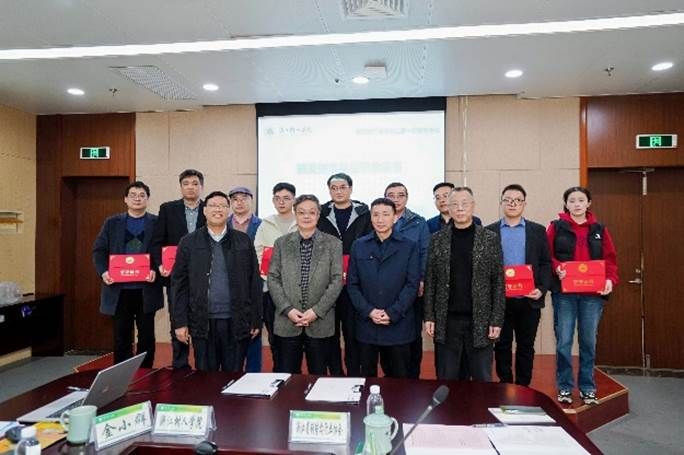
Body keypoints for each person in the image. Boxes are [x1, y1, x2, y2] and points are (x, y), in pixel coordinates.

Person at [171, 191, 262, 372]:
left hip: (237, 321)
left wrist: (255, 319)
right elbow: (179, 285)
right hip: (202, 322)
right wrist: (180, 322)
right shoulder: (188, 242)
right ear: (204, 210)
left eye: (222, 206)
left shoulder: (243, 240)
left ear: (228, 211)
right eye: (213, 205)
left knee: (234, 375)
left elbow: (254, 282)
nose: (218, 210)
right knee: (205, 377)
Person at [423, 187, 505, 381]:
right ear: (448, 208)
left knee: (482, 379)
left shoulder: (490, 239)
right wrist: (429, 316)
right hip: (447, 321)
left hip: (481, 320)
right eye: (454, 204)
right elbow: (431, 280)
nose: (459, 208)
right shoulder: (437, 239)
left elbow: (498, 282)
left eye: (464, 204)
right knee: (447, 378)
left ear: (473, 206)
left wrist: (496, 319)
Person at [546, 186, 618, 405]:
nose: (576, 204)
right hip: (564, 294)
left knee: (588, 342)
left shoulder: (599, 229)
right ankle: (565, 387)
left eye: (581, 200)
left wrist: (610, 280)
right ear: (566, 204)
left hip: (592, 296)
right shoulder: (556, 227)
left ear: (588, 203)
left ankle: (587, 387)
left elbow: (610, 259)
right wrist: (557, 268)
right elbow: (546, 255)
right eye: (572, 200)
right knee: (564, 342)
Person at [267, 195, 343, 374]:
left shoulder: (333, 244)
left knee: (318, 376)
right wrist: (288, 309)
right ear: (295, 214)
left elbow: (337, 280)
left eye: (311, 212)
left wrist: (316, 311)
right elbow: (273, 278)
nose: (306, 216)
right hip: (287, 321)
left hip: (320, 322)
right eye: (301, 212)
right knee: (286, 376)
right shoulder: (281, 243)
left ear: (318, 215)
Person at [485, 184, 552, 386]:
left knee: (526, 346)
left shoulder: (537, 231)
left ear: (524, 203)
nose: (512, 203)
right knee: (501, 346)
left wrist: (541, 288)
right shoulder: (489, 231)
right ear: (501, 202)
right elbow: (484, 267)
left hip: (529, 300)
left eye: (517, 200)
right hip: (500, 302)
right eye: (508, 199)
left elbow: (545, 263)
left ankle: (523, 386)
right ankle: (505, 383)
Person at [92, 181, 162, 368]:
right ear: (125, 199)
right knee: (121, 336)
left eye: (142, 195)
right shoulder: (112, 223)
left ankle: (145, 372)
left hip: (146, 290)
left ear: (147, 199)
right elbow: (99, 250)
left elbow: (162, 252)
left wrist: (155, 270)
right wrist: (103, 271)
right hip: (119, 290)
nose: (137, 199)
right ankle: (122, 374)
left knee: (146, 336)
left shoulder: (157, 223)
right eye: (133, 195)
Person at [347, 198, 420, 378]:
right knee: (366, 379)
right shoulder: (359, 245)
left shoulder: (409, 246)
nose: (380, 219)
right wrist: (369, 311)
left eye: (386, 214)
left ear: (395, 217)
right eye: (376, 215)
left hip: (398, 325)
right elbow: (352, 284)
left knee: (399, 381)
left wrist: (392, 312)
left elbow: (412, 285)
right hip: (367, 324)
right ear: (370, 218)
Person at [150, 169, 206, 369]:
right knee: (178, 319)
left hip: (204, 277)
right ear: (180, 186)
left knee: (202, 322)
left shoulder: (209, 208)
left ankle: (203, 365)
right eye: (186, 183)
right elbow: (156, 242)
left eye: (195, 183)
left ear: (201, 187)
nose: (191, 187)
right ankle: (180, 365)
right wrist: (160, 264)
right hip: (176, 276)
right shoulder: (168, 209)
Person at [317, 172, 372, 376]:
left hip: (355, 283)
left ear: (351, 189)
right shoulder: (321, 213)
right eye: (334, 188)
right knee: (330, 332)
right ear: (329, 190)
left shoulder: (364, 213)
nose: (338, 191)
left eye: (342, 187)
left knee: (352, 332)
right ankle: (335, 374)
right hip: (327, 283)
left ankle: (354, 374)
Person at [384, 182, 430, 378]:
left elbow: (425, 252)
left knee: (411, 334)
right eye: (391, 195)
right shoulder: (378, 220)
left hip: (412, 288)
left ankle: (412, 376)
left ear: (407, 198)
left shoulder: (418, 222)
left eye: (400, 195)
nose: (396, 199)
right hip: (386, 288)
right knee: (387, 332)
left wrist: (421, 279)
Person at [253, 182, 298, 371]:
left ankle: (294, 373)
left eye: (286, 198)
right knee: (274, 335)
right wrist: (268, 273)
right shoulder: (266, 223)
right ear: (273, 201)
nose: (282, 202)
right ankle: (278, 372)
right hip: (270, 288)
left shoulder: (302, 221)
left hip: (296, 290)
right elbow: (257, 252)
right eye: (277, 198)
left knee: (295, 339)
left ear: (294, 200)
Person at [227, 186, 263, 372]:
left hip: (254, 284)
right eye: (235, 199)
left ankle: (253, 376)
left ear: (251, 200)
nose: (239, 202)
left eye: (243, 198)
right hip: (228, 286)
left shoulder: (262, 225)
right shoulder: (222, 224)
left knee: (254, 332)